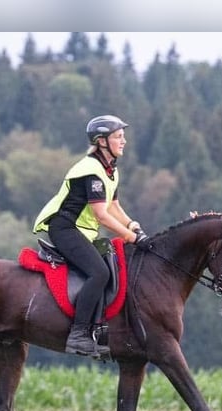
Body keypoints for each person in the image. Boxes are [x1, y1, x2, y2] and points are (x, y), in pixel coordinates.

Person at [33, 115, 152, 357]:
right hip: (65, 229)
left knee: (113, 266)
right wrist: (130, 237)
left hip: (83, 232)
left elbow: (114, 207)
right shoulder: (90, 170)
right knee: (99, 272)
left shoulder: (110, 170)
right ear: (102, 141)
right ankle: (78, 334)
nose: (124, 141)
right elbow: (101, 215)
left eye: (123, 136)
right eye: (118, 137)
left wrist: (132, 225)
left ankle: (99, 330)